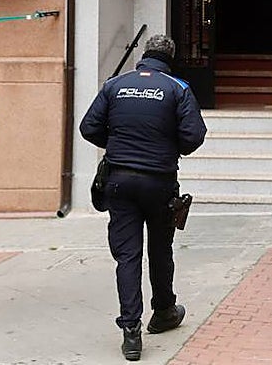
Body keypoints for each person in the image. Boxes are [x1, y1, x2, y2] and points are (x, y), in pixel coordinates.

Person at [80, 34, 207, 361]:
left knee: (127, 255)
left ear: (143, 54)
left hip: (120, 180)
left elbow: (88, 127)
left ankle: (131, 330)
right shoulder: (177, 88)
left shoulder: (115, 85)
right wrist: (167, 147)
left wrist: (117, 142)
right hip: (159, 181)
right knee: (160, 249)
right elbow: (194, 136)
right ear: (171, 57)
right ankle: (163, 311)